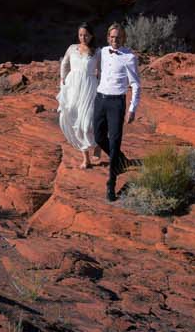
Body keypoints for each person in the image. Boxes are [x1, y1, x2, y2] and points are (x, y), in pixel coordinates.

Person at [92, 22, 142, 201]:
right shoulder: (102, 52)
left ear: (124, 38)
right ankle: (120, 159)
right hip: (100, 99)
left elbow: (135, 84)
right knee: (98, 137)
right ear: (108, 38)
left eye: (118, 37)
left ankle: (111, 183)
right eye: (112, 37)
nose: (115, 40)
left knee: (114, 142)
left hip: (117, 103)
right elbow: (87, 59)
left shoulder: (129, 57)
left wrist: (132, 109)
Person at [56, 24, 99, 168]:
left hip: (89, 88)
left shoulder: (97, 51)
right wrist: (63, 78)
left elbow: (104, 70)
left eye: (86, 35)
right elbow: (64, 63)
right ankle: (86, 158)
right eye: (80, 35)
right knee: (75, 122)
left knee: (87, 123)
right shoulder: (72, 48)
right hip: (73, 88)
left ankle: (97, 143)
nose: (83, 38)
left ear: (91, 36)